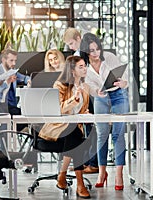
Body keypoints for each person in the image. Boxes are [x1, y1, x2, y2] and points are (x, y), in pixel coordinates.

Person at [80, 33, 129, 190]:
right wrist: (96, 92)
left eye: (97, 49)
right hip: (101, 97)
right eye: (91, 51)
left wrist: (123, 82)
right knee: (102, 134)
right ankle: (102, 172)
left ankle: (119, 174)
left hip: (118, 95)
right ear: (85, 52)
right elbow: (88, 86)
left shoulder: (109, 57)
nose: (96, 54)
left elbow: (125, 76)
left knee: (118, 134)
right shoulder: (84, 66)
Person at [39, 56, 91, 198]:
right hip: (57, 130)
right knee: (75, 136)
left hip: (73, 132)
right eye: (81, 67)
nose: (85, 68)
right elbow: (59, 109)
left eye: (85, 66)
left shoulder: (85, 87)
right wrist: (74, 100)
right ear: (72, 71)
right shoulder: (59, 85)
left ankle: (62, 175)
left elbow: (82, 110)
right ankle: (80, 184)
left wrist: (85, 112)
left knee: (74, 135)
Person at [64, 28, 99, 174]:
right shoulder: (78, 55)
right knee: (84, 131)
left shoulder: (85, 55)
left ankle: (93, 163)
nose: (71, 47)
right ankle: (84, 163)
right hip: (82, 93)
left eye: (72, 43)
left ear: (79, 38)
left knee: (91, 131)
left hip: (89, 94)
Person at [0, 48, 30, 150]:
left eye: (15, 60)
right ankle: (4, 145)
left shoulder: (12, 71)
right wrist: (6, 82)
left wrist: (29, 81)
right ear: (3, 60)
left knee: (24, 114)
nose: (14, 63)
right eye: (11, 60)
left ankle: (8, 137)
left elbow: (24, 78)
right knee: (10, 115)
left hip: (10, 105)